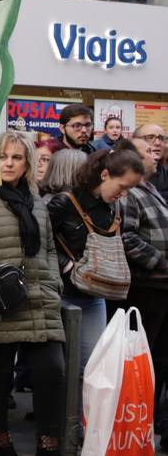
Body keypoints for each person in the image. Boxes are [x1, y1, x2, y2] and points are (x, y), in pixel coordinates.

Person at [0, 131, 76, 456]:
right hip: (2, 301)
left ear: (27, 162)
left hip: (40, 298)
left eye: (17, 157)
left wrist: (53, 282)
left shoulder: (36, 201)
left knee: (52, 371)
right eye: (3, 157)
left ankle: (49, 449)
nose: (9, 163)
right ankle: (1, 447)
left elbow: (47, 248)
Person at [47, 148, 144, 382]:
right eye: (122, 186)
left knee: (91, 366)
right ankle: (62, 417)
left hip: (95, 295)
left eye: (129, 189)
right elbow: (42, 244)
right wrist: (67, 266)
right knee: (59, 368)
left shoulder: (115, 207)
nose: (124, 194)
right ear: (105, 175)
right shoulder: (64, 202)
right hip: (60, 293)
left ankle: (83, 418)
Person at [118, 136, 168, 455]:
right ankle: (139, 428)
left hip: (162, 287)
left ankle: (151, 424)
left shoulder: (149, 189)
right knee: (145, 363)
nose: (155, 155)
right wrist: (162, 262)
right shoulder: (131, 194)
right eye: (147, 152)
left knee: (161, 360)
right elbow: (128, 238)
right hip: (148, 287)